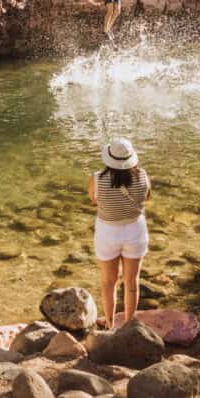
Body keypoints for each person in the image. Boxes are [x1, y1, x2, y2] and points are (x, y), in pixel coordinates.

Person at [87, 137, 151, 327]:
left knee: (108, 282)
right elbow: (146, 197)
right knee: (131, 282)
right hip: (135, 231)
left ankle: (109, 324)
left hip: (108, 232)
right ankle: (130, 325)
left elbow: (93, 199)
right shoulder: (143, 176)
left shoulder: (97, 178)